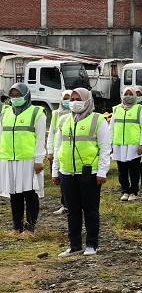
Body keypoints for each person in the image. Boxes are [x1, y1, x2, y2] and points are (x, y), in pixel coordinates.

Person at [53, 87, 110, 256]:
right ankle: (74, 244)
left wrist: (102, 171)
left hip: (89, 172)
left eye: (78, 99)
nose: (74, 103)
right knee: (72, 210)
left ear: (87, 100)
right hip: (67, 172)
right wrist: (56, 171)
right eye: (71, 99)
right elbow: (58, 147)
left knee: (90, 209)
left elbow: (105, 148)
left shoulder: (97, 120)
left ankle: (92, 244)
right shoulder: (63, 120)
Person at [1, 82, 46, 236]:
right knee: (15, 194)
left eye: (18, 95)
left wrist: (39, 159)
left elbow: (41, 138)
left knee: (30, 193)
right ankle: (16, 227)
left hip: (29, 160)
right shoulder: (5, 113)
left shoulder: (36, 112)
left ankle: (30, 228)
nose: (15, 98)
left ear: (26, 96)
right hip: (9, 159)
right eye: (12, 96)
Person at [110, 86, 142, 202]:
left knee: (134, 170)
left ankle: (134, 191)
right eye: (125, 94)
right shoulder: (116, 109)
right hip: (119, 145)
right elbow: (111, 127)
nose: (128, 96)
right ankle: (125, 191)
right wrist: (110, 144)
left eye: (130, 94)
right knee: (122, 170)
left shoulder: (139, 109)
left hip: (134, 145)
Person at [47, 89, 73, 216]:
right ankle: (65, 205)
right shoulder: (56, 114)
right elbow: (52, 132)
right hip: (58, 151)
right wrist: (50, 151)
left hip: (69, 151)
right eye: (65, 98)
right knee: (61, 181)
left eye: (70, 98)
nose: (68, 101)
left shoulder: (77, 113)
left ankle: (72, 205)